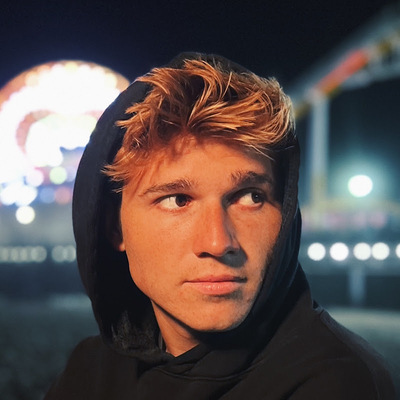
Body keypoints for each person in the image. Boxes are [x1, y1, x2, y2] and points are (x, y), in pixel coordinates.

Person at [44, 53, 395, 399]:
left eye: (250, 197)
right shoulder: (89, 370)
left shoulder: (339, 383)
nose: (217, 242)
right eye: (177, 200)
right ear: (115, 228)